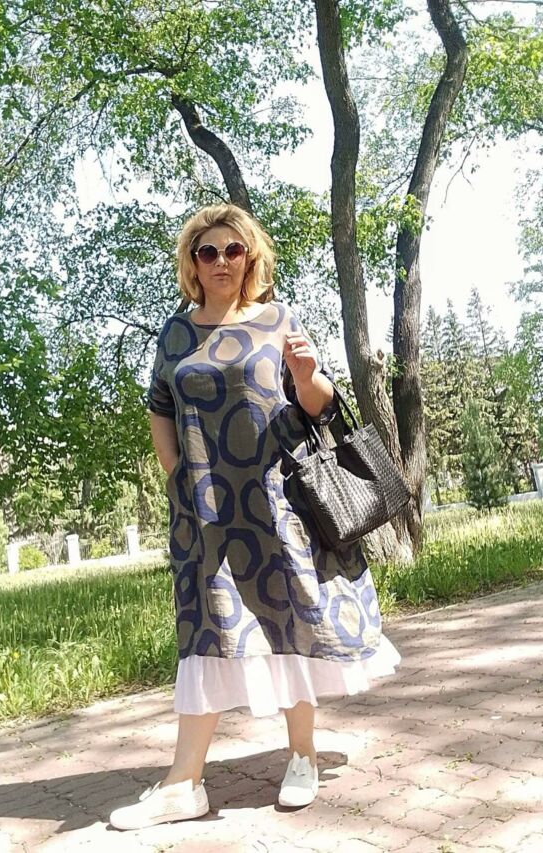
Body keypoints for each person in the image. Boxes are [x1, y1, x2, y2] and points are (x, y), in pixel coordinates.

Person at [109, 203, 400, 831]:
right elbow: (160, 406)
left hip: (276, 505)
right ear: (193, 263)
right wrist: (176, 474)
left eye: (232, 250)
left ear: (250, 258)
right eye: (207, 252)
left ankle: (303, 755)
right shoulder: (175, 334)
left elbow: (319, 405)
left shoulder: (277, 320)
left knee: (290, 617)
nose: (220, 261)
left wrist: (307, 375)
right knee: (206, 631)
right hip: (205, 514)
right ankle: (183, 784)